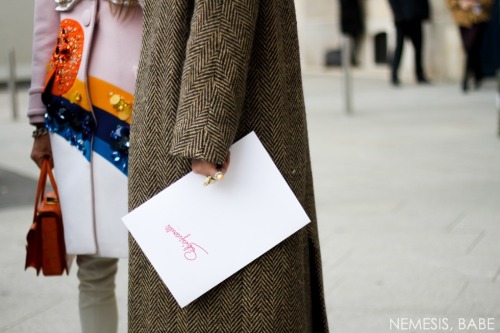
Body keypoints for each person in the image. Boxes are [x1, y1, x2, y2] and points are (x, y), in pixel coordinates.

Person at [127, 0, 329, 332]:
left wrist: (204, 132)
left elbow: (221, 14)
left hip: (210, 131)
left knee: (225, 302)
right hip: (195, 114)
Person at [27, 0, 142, 332]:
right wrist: (39, 120)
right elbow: (45, 26)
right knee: (92, 266)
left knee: (160, 248)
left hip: (139, 96)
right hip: (69, 106)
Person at [447, 0, 493, 92]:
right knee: (469, 48)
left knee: (471, 46)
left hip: (478, 17)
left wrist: (476, 3)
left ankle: (465, 78)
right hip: (462, 17)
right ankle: (477, 74)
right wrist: (460, 3)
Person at [388, 0, 431, 86]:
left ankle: (419, 74)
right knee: (399, 47)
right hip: (402, 20)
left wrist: (425, 14)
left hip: (415, 17)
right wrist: (398, 14)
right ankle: (394, 74)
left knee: (418, 47)